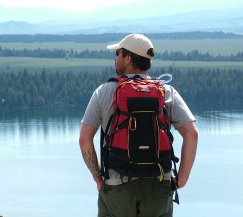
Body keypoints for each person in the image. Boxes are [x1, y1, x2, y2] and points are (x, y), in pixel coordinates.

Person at [79, 33, 198, 217]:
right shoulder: (165, 91)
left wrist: (98, 177)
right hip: (158, 188)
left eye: (118, 53)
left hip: (117, 189)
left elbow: (84, 139)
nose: (115, 58)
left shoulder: (104, 91)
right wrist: (181, 179)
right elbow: (192, 134)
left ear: (128, 58)